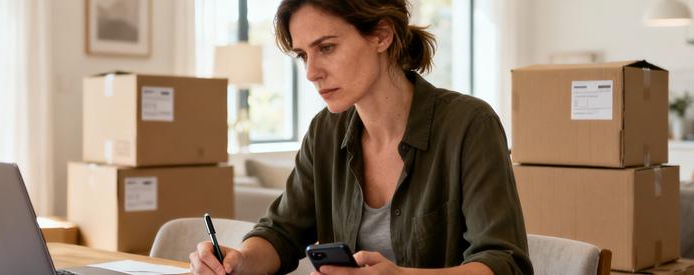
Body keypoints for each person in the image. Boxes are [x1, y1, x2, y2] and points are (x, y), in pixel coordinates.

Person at [190, 0, 532, 274]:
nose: (311, 72)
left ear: (381, 35)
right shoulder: (325, 132)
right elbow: (281, 232)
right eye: (303, 55)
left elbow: (505, 263)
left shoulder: (469, 125)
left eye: (326, 48)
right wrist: (239, 261)